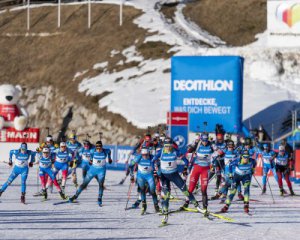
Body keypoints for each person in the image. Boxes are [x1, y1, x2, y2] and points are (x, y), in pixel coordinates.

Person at [153, 139, 201, 224]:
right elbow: (153, 160)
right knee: (166, 196)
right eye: (166, 146)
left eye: (170, 146)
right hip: (164, 177)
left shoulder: (175, 151)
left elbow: (186, 161)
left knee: (185, 191)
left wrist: (185, 168)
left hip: (174, 175)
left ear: (172, 146)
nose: (168, 148)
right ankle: (165, 215)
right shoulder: (161, 152)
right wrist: (156, 167)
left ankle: (197, 206)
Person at [69, 141, 112, 206]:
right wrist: (91, 160)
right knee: (84, 184)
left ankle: (99, 198)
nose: (99, 149)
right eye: (97, 148)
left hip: (101, 170)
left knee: (101, 184)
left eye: (100, 148)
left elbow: (109, 151)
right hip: (92, 170)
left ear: (102, 147)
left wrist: (109, 158)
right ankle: (75, 196)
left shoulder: (106, 151)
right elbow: (90, 156)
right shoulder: (92, 151)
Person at [184, 133, 214, 211]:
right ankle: (186, 203)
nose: (205, 142)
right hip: (196, 169)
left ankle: (205, 208)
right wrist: (192, 153)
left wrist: (216, 159)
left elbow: (219, 153)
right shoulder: (197, 144)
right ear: (201, 139)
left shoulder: (211, 145)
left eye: (206, 140)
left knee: (204, 189)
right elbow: (187, 153)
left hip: (205, 170)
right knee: (190, 188)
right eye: (203, 140)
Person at [129, 147, 160, 214]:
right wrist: (132, 176)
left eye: (146, 154)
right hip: (141, 176)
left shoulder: (152, 157)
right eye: (143, 155)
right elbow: (130, 165)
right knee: (142, 190)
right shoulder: (138, 157)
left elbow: (158, 165)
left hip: (149, 176)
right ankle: (144, 206)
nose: (145, 156)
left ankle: (156, 206)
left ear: (148, 153)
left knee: (152, 191)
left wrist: (158, 174)